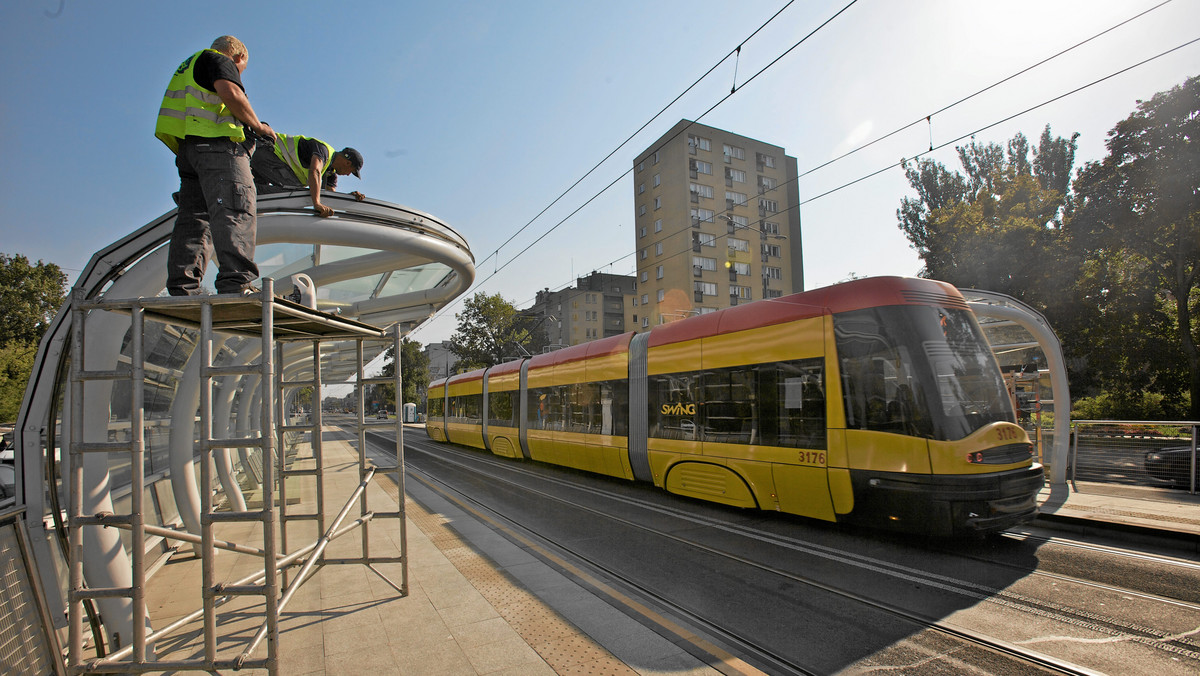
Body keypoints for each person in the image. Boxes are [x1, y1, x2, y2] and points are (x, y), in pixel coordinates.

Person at [155, 36, 275, 296]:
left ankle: (182, 286)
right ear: (239, 57)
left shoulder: (188, 67)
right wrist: (257, 126)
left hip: (190, 152)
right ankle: (237, 282)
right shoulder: (219, 59)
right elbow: (230, 92)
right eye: (242, 69)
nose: (240, 73)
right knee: (235, 206)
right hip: (219, 148)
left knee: (194, 218)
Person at [250, 134, 366, 217]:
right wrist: (316, 203)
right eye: (351, 171)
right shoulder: (324, 151)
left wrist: (349, 198)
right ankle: (251, 191)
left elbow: (330, 198)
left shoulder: (330, 172)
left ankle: (251, 191)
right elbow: (314, 171)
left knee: (261, 206)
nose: (348, 174)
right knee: (298, 194)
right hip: (267, 153)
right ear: (347, 162)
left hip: (270, 164)